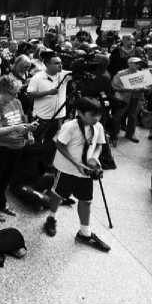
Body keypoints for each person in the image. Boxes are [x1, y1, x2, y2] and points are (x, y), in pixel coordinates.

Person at [42, 97, 111, 252]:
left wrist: (94, 158)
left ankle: (84, 233)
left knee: (86, 200)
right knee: (58, 194)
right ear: (80, 113)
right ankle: (51, 217)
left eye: (98, 115)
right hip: (66, 169)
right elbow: (59, 145)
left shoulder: (98, 126)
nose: (96, 118)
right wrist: (76, 164)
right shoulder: (70, 126)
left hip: (86, 171)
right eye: (92, 115)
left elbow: (99, 145)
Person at [0, 76, 37, 222]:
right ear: (3, 91)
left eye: (16, 93)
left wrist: (29, 132)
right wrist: (14, 128)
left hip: (17, 146)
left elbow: (22, 121)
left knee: (7, 177)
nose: (16, 95)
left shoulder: (16, 102)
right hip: (2, 148)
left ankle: (1, 203)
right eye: (13, 93)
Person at [27, 51, 71, 168]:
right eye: (56, 63)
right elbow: (30, 95)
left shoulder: (64, 75)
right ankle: (36, 165)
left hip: (59, 117)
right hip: (42, 118)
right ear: (46, 64)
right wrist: (48, 93)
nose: (60, 65)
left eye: (61, 63)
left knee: (53, 142)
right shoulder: (37, 77)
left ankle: (49, 163)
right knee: (37, 142)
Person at [111, 57, 152, 145]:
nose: (138, 65)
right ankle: (114, 135)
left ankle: (130, 134)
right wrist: (130, 89)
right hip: (123, 98)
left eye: (139, 63)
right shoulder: (121, 74)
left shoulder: (142, 74)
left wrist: (145, 88)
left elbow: (149, 87)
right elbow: (115, 85)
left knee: (133, 116)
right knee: (118, 116)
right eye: (136, 63)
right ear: (129, 64)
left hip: (136, 98)